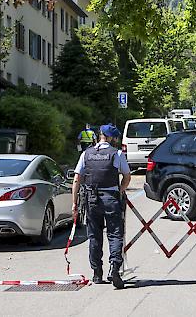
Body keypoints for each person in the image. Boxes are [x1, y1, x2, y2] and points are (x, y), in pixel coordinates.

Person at [72, 123, 131, 289]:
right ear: (110, 138)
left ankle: (97, 273)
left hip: (92, 199)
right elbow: (127, 177)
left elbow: (77, 179)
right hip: (111, 198)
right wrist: (120, 191)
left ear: (99, 136)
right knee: (115, 234)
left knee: (94, 236)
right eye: (115, 138)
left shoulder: (86, 154)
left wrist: (74, 203)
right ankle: (114, 269)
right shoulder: (117, 154)